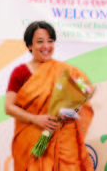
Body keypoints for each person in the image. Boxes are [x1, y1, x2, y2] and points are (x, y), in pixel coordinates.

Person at [5, 21, 94, 171]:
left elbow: (81, 99)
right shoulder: (20, 72)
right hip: (31, 143)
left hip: (63, 144)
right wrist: (35, 119)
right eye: (40, 41)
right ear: (29, 45)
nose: (46, 46)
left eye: (50, 41)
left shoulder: (66, 71)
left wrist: (73, 113)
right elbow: (9, 107)